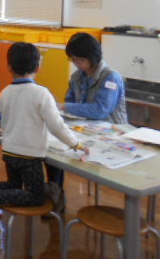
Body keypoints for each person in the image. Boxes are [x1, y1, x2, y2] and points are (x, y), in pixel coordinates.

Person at [0, 43, 86, 226]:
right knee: (35, 196)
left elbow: (0, 122)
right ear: (38, 68)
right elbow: (57, 126)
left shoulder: (6, 93)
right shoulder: (42, 94)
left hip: (9, 152)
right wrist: (75, 144)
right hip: (30, 156)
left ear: (9, 67)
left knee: (14, 185)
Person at [46, 32, 128, 210]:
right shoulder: (77, 76)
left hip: (112, 133)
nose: (76, 64)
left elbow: (100, 110)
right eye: (73, 60)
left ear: (93, 57)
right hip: (84, 130)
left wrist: (65, 107)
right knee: (52, 153)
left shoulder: (110, 78)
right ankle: (56, 196)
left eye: (79, 59)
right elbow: (69, 101)